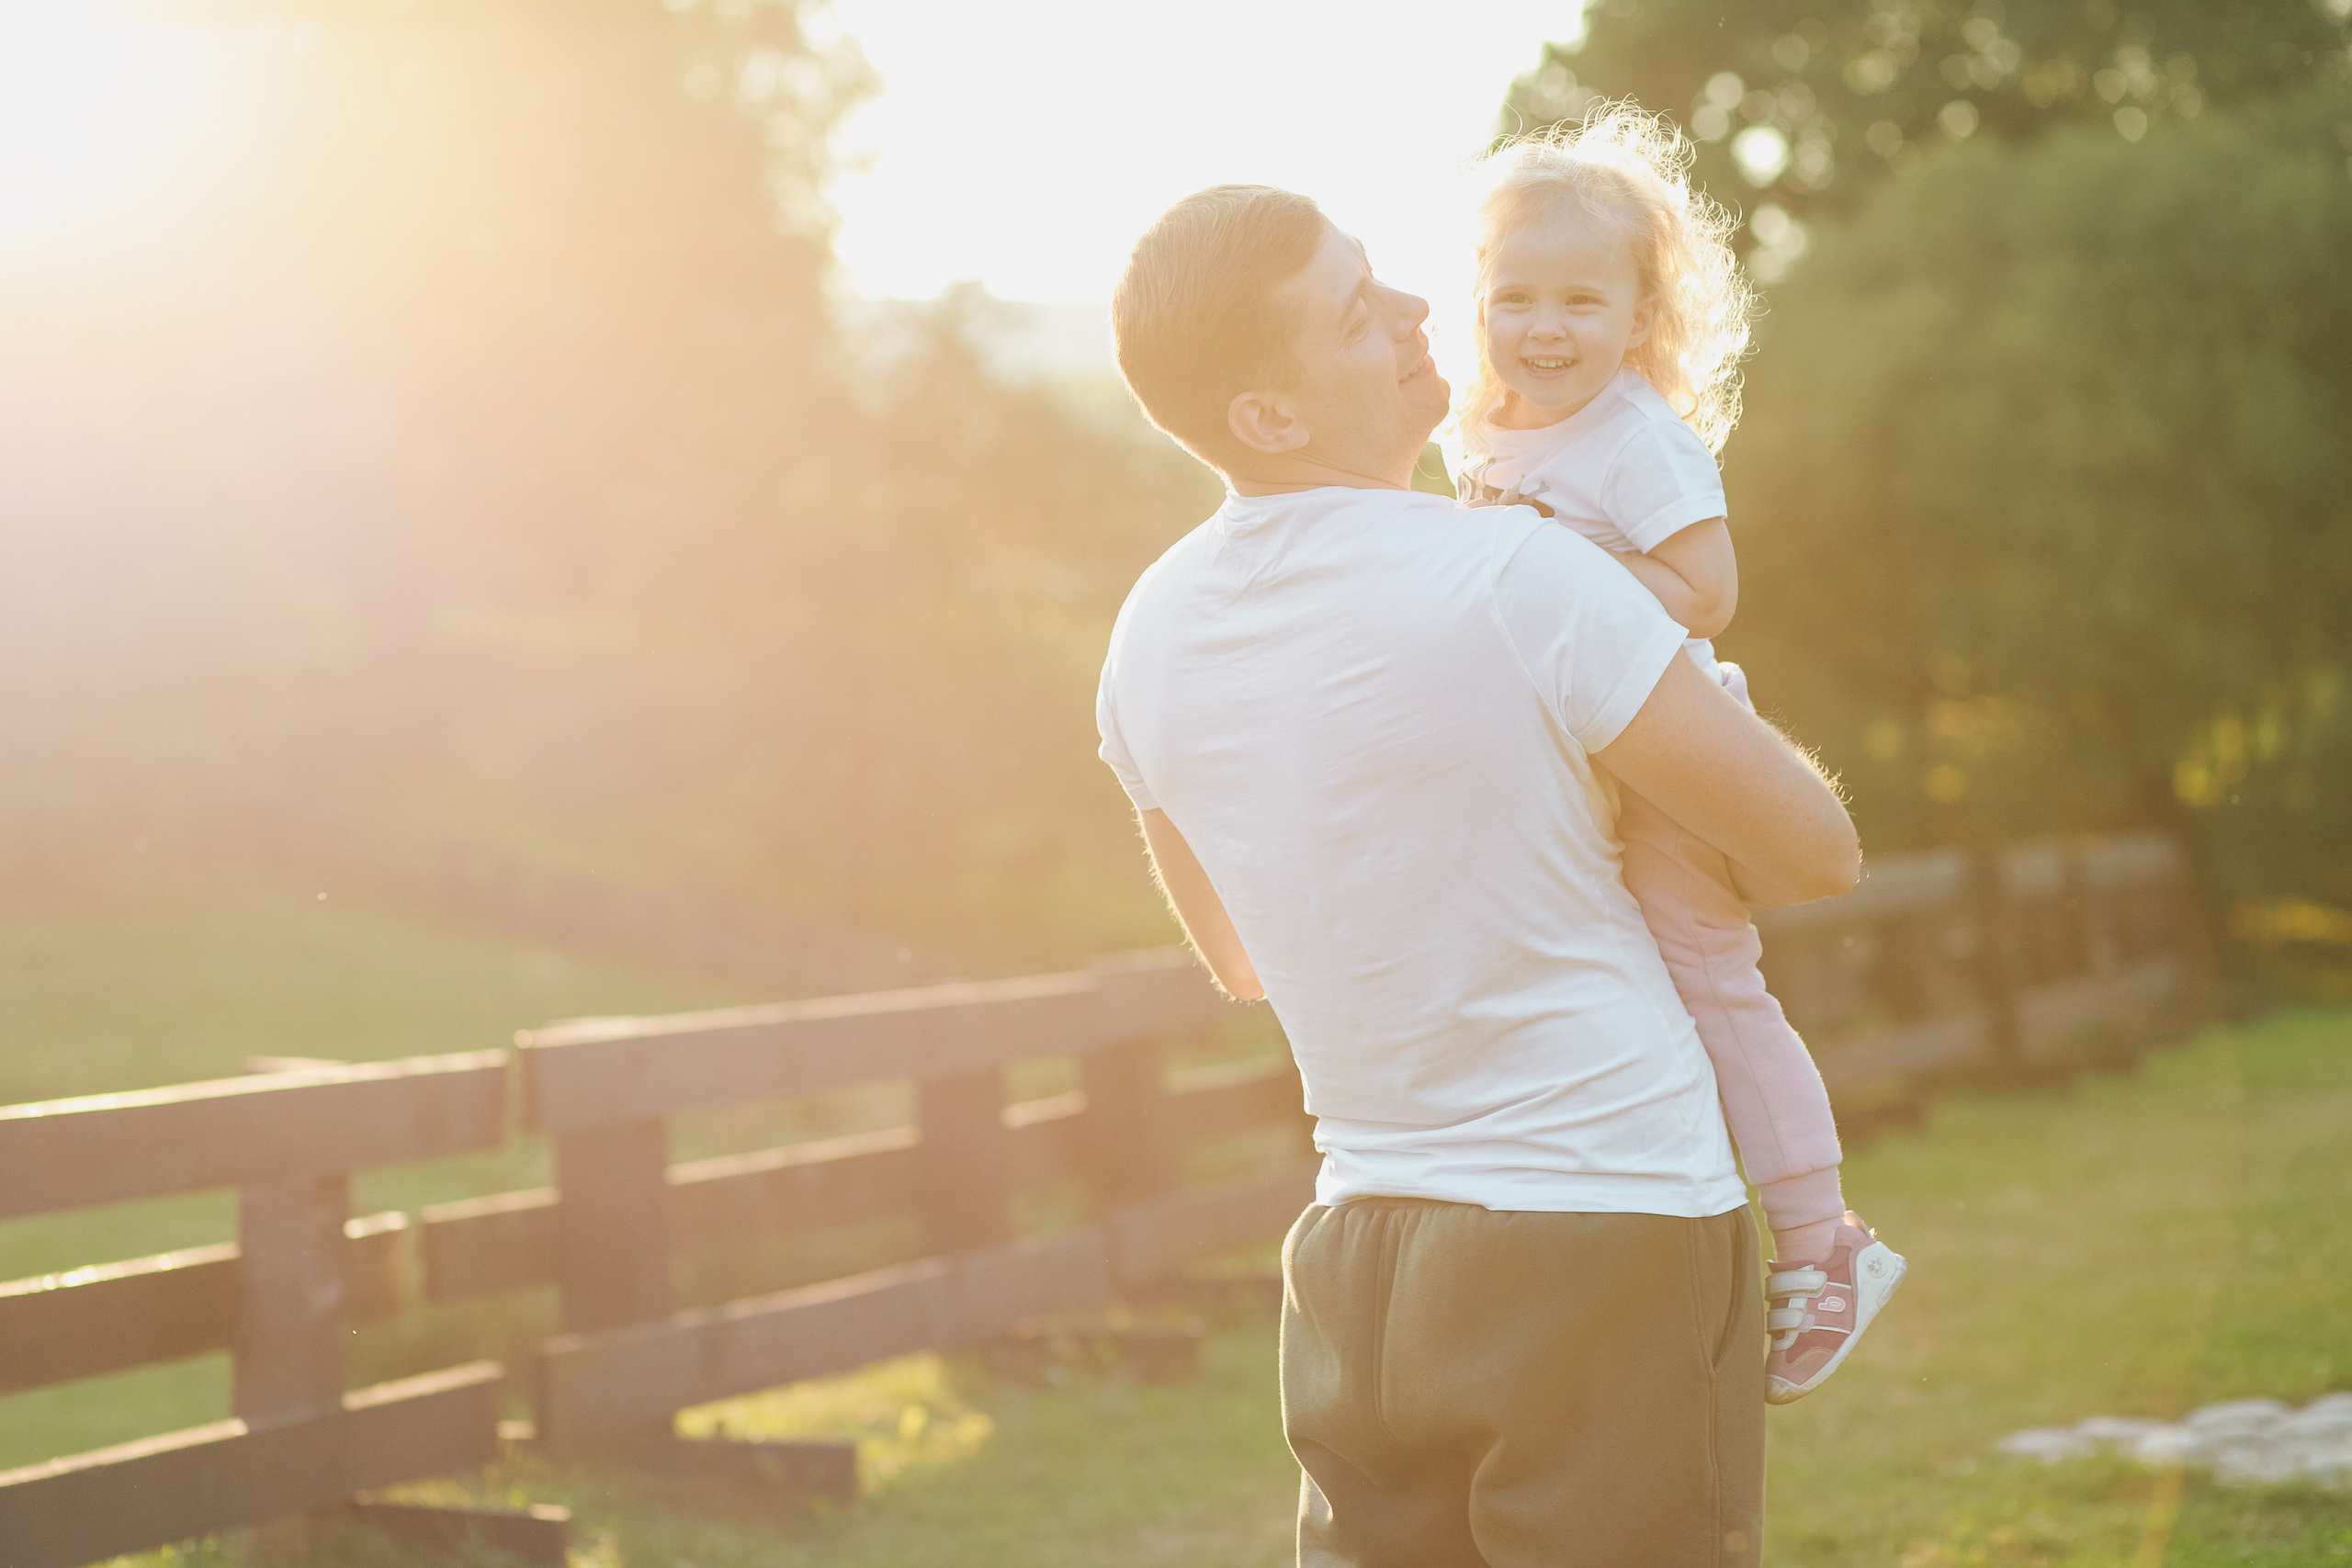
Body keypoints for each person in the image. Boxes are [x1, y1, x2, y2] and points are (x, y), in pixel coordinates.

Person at [1096, 183, 1858, 1566]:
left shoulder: (1143, 636)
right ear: (1269, 414)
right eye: (1354, 313)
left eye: (1384, 278)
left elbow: (1242, 960)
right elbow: (1812, 848)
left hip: (1357, 1258)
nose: (1415, 313)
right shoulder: (1523, 575)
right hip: (1609, 1224)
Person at [1442, 106, 1905, 1406]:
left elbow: (1705, 590)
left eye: (1581, 302)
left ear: (1642, 313)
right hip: (1585, 760)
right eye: (1514, 296)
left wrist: (1555, 557)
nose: (1544, 329)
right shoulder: (1492, 423)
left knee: (1712, 982)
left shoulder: (1637, 437)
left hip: (1674, 756)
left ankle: (1825, 1241)